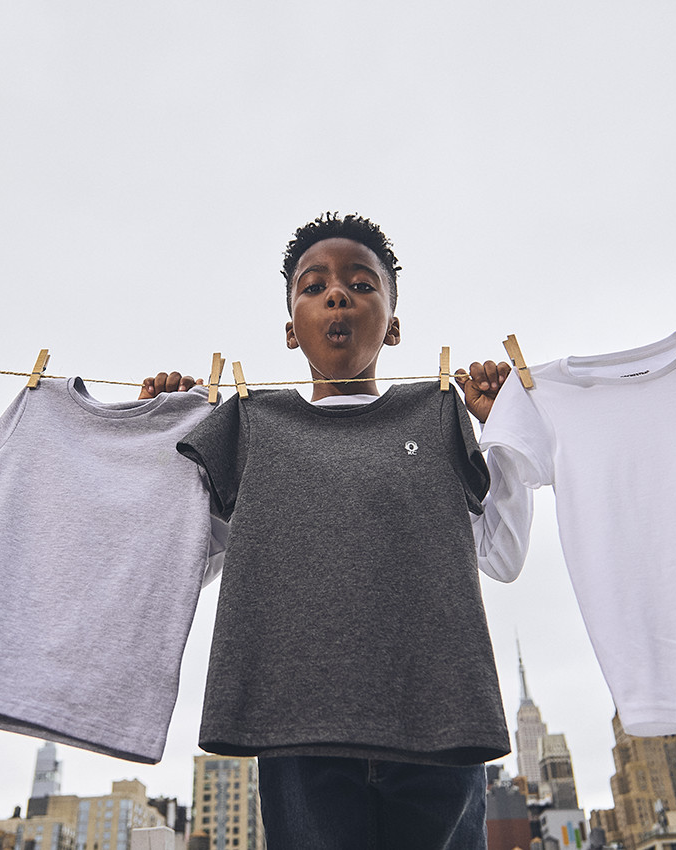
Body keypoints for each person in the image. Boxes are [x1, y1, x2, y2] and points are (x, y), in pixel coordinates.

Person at [141, 213, 531, 850]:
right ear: (292, 329)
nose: (337, 294)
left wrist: (503, 433)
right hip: (294, 728)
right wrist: (164, 435)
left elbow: (504, 555)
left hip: (441, 721)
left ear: (394, 325)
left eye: (361, 284)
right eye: (313, 285)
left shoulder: (439, 415)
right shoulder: (248, 425)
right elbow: (188, 563)